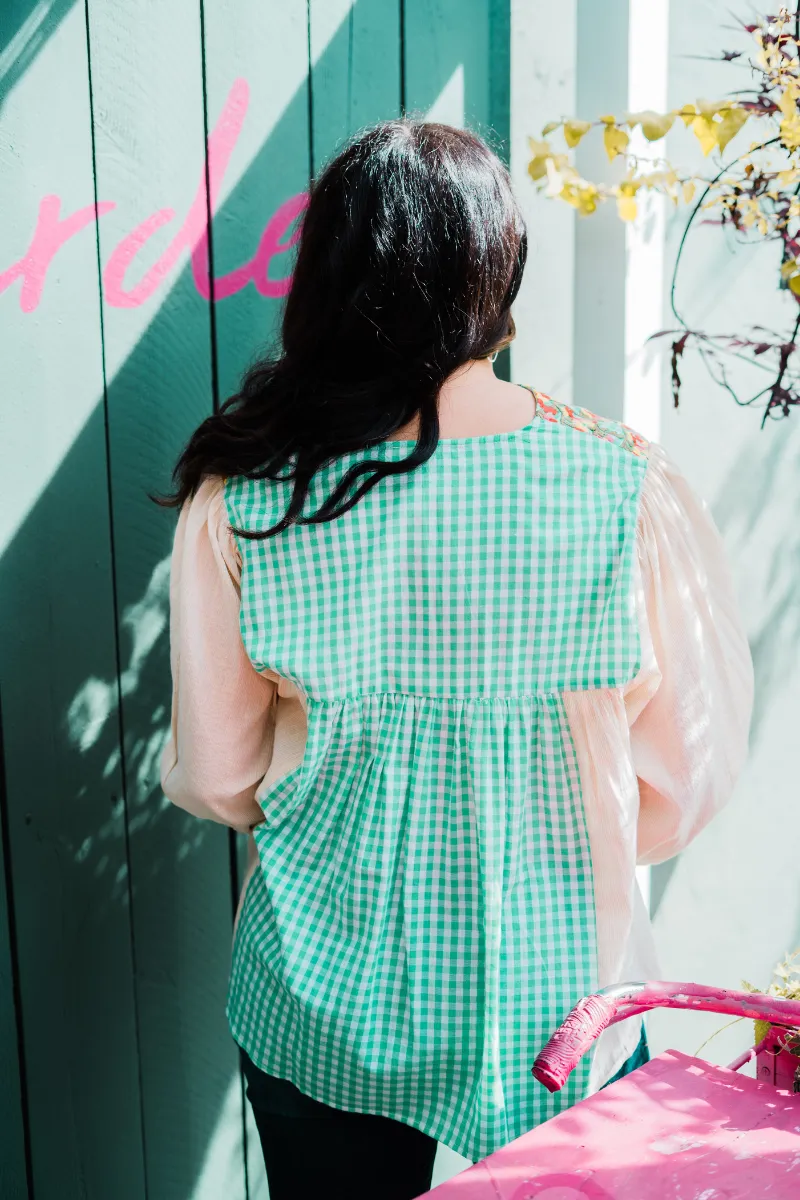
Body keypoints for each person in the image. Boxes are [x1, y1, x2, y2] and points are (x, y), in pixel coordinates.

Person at [158, 120, 754, 1200]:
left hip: (320, 988)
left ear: (328, 279)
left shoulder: (245, 497)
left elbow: (216, 777)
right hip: (559, 996)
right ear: (498, 268)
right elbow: (681, 778)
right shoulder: (620, 488)